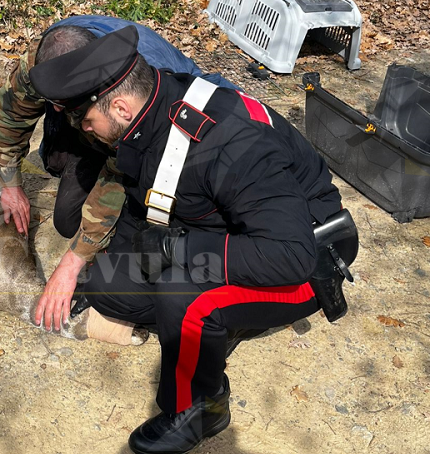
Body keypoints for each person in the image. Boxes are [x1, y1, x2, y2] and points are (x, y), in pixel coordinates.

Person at [28, 26, 356, 453]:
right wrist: (89, 266)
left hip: (306, 258)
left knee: (181, 294)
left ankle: (201, 406)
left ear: (122, 107)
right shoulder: (152, 109)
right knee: (107, 283)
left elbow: (290, 255)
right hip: (230, 233)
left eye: (87, 122)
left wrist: (175, 250)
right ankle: (219, 321)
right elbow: (140, 198)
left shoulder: (228, 143)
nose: (87, 132)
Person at [0, 15, 239, 243]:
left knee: (124, 222)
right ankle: (92, 146)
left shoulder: (137, 90)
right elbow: (7, 116)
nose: (59, 112)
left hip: (165, 135)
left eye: (68, 104)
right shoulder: (44, 59)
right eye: (57, 102)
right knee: (57, 168)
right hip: (105, 113)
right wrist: (10, 184)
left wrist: (80, 255)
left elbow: (121, 168)